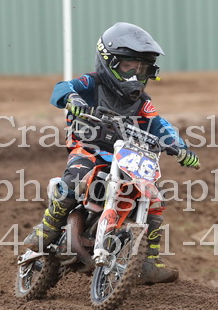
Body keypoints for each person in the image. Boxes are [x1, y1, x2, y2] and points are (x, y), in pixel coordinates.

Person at [23, 22, 200, 284]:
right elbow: (62, 88)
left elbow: (159, 124)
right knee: (76, 179)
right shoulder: (91, 83)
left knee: (153, 197)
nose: (135, 75)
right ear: (109, 62)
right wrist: (73, 99)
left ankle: (148, 260)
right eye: (128, 67)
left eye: (141, 69)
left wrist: (179, 146)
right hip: (90, 149)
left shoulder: (141, 101)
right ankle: (47, 229)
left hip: (125, 157)